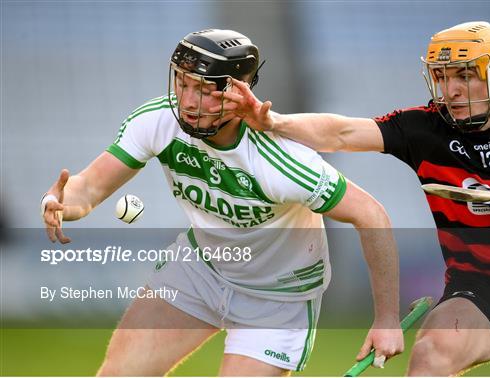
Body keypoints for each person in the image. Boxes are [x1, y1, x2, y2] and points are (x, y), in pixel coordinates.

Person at [40, 29, 404, 376]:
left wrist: (386, 321)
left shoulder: (282, 161)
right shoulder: (158, 120)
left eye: (202, 90)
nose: (186, 101)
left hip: (278, 298)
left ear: (237, 91)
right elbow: (88, 186)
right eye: (182, 83)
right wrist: (63, 201)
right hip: (200, 271)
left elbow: (371, 214)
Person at [217, 21, 490, 376]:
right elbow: (341, 133)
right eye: (442, 77)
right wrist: (273, 122)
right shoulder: (426, 128)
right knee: (433, 352)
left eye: (464, 76)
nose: (452, 91)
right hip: (486, 285)